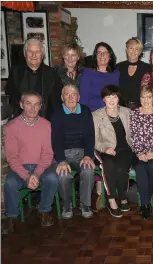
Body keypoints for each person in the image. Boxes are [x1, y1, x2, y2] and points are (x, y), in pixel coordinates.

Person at [4, 91, 59, 232]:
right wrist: (27, 176)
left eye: (36, 104)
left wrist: (37, 173)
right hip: (20, 167)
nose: (32, 108)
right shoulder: (11, 127)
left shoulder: (47, 125)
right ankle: (11, 216)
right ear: (21, 104)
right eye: (28, 104)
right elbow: (12, 157)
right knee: (10, 183)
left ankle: (44, 211)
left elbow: (48, 153)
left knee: (52, 178)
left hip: (42, 166)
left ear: (40, 106)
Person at [51, 84, 95, 219]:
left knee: (88, 170)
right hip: (63, 153)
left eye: (73, 94)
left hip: (82, 153)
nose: (70, 97)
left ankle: (85, 204)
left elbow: (90, 136)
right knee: (63, 174)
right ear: (61, 97)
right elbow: (56, 139)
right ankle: (67, 205)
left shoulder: (86, 111)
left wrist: (88, 155)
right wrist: (61, 160)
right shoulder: (57, 112)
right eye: (67, 94)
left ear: (79, 97)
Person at [92, 85, 133, 218]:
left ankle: (123, 197)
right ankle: (111, 200)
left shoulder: (127, 112)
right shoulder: (96, 115)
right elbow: (95, 139)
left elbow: (133, 134)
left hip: (125, 148)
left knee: (121, 168)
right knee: (108, 165)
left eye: (114, 96)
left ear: (118, 98)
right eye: (108, 96)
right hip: (104, 149)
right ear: (103, 99)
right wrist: (106, 149)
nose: (111, 100)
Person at [130, 86, 153, 220]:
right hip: (138, 152)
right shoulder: (134, 114)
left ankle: (146, 197)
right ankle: (146, 205)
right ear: (140, 99)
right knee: (140, 167)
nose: (146, 100)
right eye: (143, 97)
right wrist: (139, 153)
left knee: (152, 166)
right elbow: (133, 136)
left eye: (149, 97)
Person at [5, 38, 62, 119]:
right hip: (21, 121)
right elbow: (11, 97)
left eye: (37, 52)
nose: (33, 55)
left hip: (46, 121)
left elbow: (57, 101)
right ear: (25, 53)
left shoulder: (52, 73)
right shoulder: (15, 72)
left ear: (42, 54)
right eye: (30, 51)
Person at [80, 42, 119, 112]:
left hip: (113, 112)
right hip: (93, 114)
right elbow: (83, 100)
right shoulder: (88, 73)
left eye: (105, 52)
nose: (102, 55)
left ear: (110, 56)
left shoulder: (116, 73)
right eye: (99, 52)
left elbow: (118, 96)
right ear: (95, 56)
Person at [116, 38, 152, 109]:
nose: (133, 51)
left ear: (140, 52)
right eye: (131, 48)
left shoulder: (147, 68)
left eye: (137, 49)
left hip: (141, 107)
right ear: (126, 50)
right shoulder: (119, 66)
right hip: (121, 107)